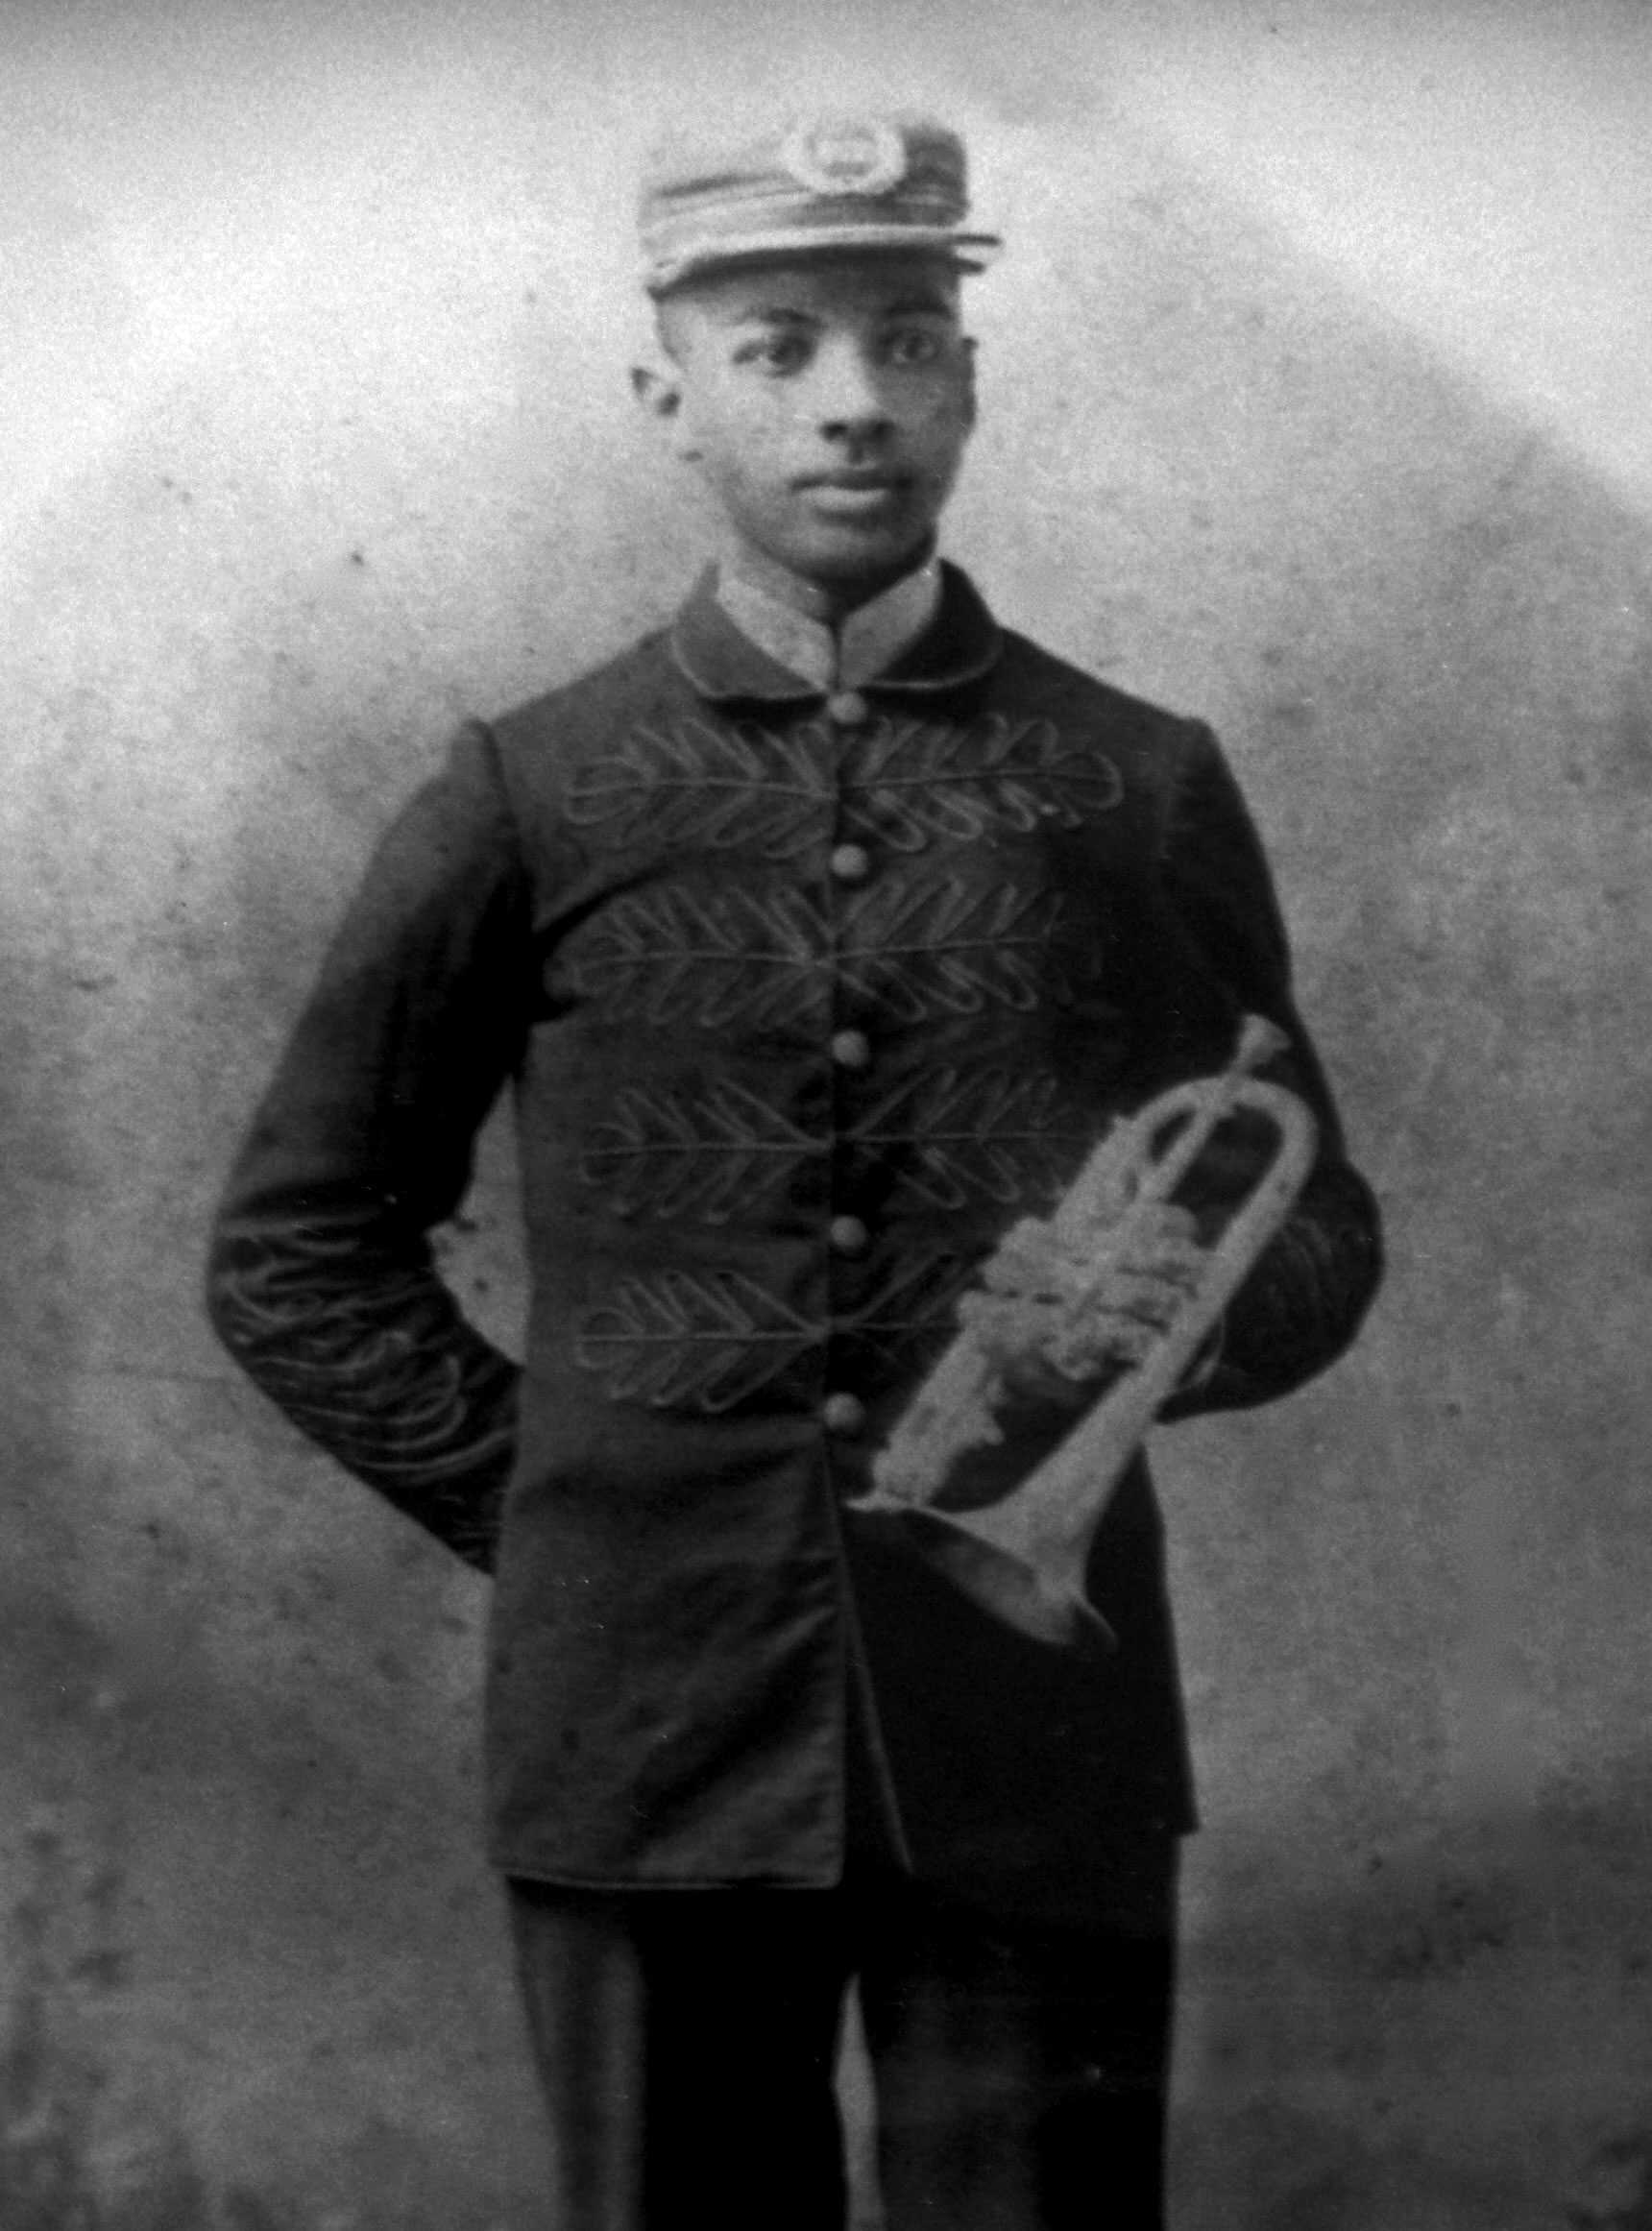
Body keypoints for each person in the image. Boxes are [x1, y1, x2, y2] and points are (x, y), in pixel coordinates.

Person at [206, 109, 1382, 2231]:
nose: (854, 400)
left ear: (967, 376)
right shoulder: (528, 789)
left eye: (908, 338)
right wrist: (568, 1506)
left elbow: (1315, 1226)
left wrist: (1144, 1341)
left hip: (1040, 1734)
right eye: (776, 347)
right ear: (664, 396)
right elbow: (296, 1249)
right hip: (640, 1731)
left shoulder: (1131, 777)